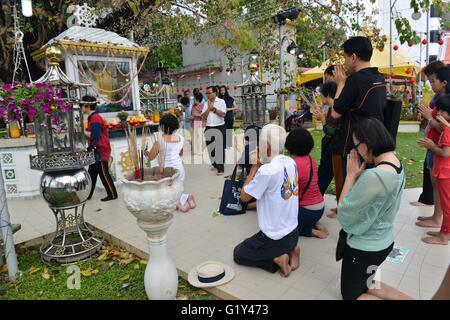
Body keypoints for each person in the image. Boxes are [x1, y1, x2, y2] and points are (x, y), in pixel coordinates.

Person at [337, 117, 412, 300]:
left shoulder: (374, 176)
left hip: (365, 248)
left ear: (368, 143)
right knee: (370, 282)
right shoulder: (395, 163)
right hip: (383, 242)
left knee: (351, 295)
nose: (357, 151)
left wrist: (350, 176)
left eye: (357, 145)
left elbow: (344, 213)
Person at [234, 124, 300, 277]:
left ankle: (279, 259)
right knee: (251, 241)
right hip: (293, 232)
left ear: (267, 146)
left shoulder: (266, 170)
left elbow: (244, 197)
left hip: (274, 237)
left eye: (261, 143)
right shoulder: (291, 162)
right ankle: (292, 250)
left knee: (239, 253)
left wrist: (254, 167)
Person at [330, 36, 386, 175]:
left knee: (351, 190)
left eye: (345, 58)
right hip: (374, 142)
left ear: (353, 57)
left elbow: (335, 113)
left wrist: (341, 84)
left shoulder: (356, 79)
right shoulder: (379, 77)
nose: (345, 63)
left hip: (355, 146)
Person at [415, 64, 449, 228]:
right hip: (432, 146)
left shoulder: (446, 103)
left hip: (438, 147)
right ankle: (436, 216)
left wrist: (430, 117)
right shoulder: (439, 99)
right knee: (434, 183)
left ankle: (438, 219)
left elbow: (446, 130)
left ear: (444, 82)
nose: (431, 84)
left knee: (439, 185)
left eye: (433, 80)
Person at [145, 114, 196, 212]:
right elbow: (180, 153)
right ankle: (187, 197)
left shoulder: (159, 140)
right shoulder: (181, 138)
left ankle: (180, 205)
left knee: (165, 193)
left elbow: (150, 157)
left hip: (166, 172)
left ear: (162, 126)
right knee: (175, 189)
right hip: (179, 170)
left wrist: (145, 153)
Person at [417, 93, 450, 245]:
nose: (439, 114)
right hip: (443, 172)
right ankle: (443, 231)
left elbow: (445, 152)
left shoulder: (447, 131)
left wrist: (432, 146)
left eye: (443, 112)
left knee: (447, 206)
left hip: (445, 174)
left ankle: (444, 236)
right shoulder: (446, 128)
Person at [285, 128, 329, 239]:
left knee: (280, 223)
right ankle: (314, 222)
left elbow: (287, 192)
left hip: (305, 211)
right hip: (319, 209)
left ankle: (308, 230)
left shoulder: (293, 164)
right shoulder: (311, 160)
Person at [79, 95, 118, 202]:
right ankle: (88, 195)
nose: (81, 107)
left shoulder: (95, 118)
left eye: (82, 105)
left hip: (100, 149)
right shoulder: (93, 117)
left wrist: (81, 131)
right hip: (96, 149)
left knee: (104, 173)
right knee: (92, 173)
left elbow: (94, 136)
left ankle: (113, 194)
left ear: (87, 105)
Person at [201, 86, 227, 175]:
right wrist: (208, 108)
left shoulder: (221, 101)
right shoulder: (205, 103)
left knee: (219, 148)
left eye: (209, 93)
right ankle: (215, 164)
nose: (208, 94)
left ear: (215, 93)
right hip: (209, 127)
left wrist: (213, 109)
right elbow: (204, 117)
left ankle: (221, 169)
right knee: (211, 148)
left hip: (219, 127)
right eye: (206, 93)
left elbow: (223, 114)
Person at [191, 91, 206, 156]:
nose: (193, 100)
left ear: (197, 99)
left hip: (200, 123)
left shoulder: (202, 106)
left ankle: (200, 151)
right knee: (194, 137)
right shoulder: (193, 106)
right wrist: (192, 116)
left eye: (194, 99)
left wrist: (196, 115)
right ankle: (195, 151)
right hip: (194, 123)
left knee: (200, 137)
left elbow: (203, 116)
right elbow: (192, 114)